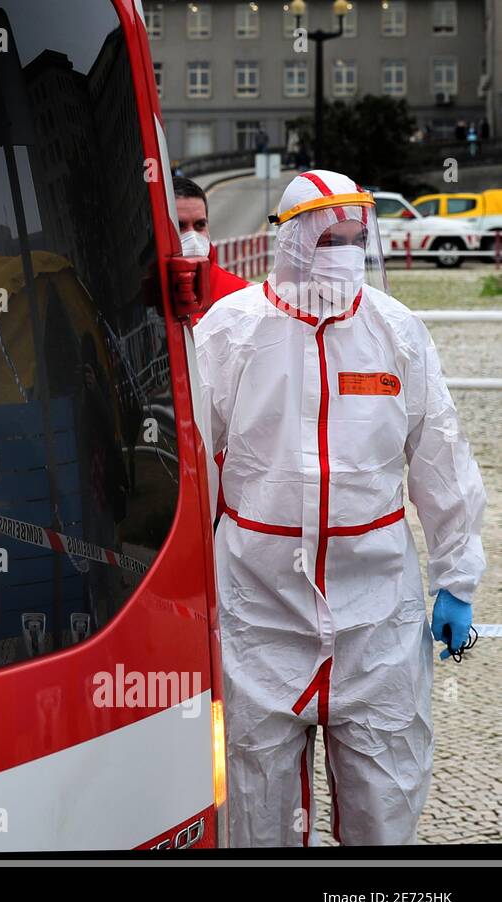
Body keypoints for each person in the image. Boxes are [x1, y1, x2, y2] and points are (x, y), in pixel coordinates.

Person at [193, 169, 486, 847]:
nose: (347, 253)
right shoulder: (231, 330)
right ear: (293, 239)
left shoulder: (396, 331)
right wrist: (185, 587)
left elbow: (440, 455)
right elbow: (194, 459)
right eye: (332, 238)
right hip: (256, 605)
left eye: (358, 238)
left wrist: (456, 577)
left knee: (386, 799)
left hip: (376, 607)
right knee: (254, 804)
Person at [171, 175, 249, 322]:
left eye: (200, 225)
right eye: (180, 226)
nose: (192, 237)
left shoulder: (241, 295)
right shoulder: (140, 298)